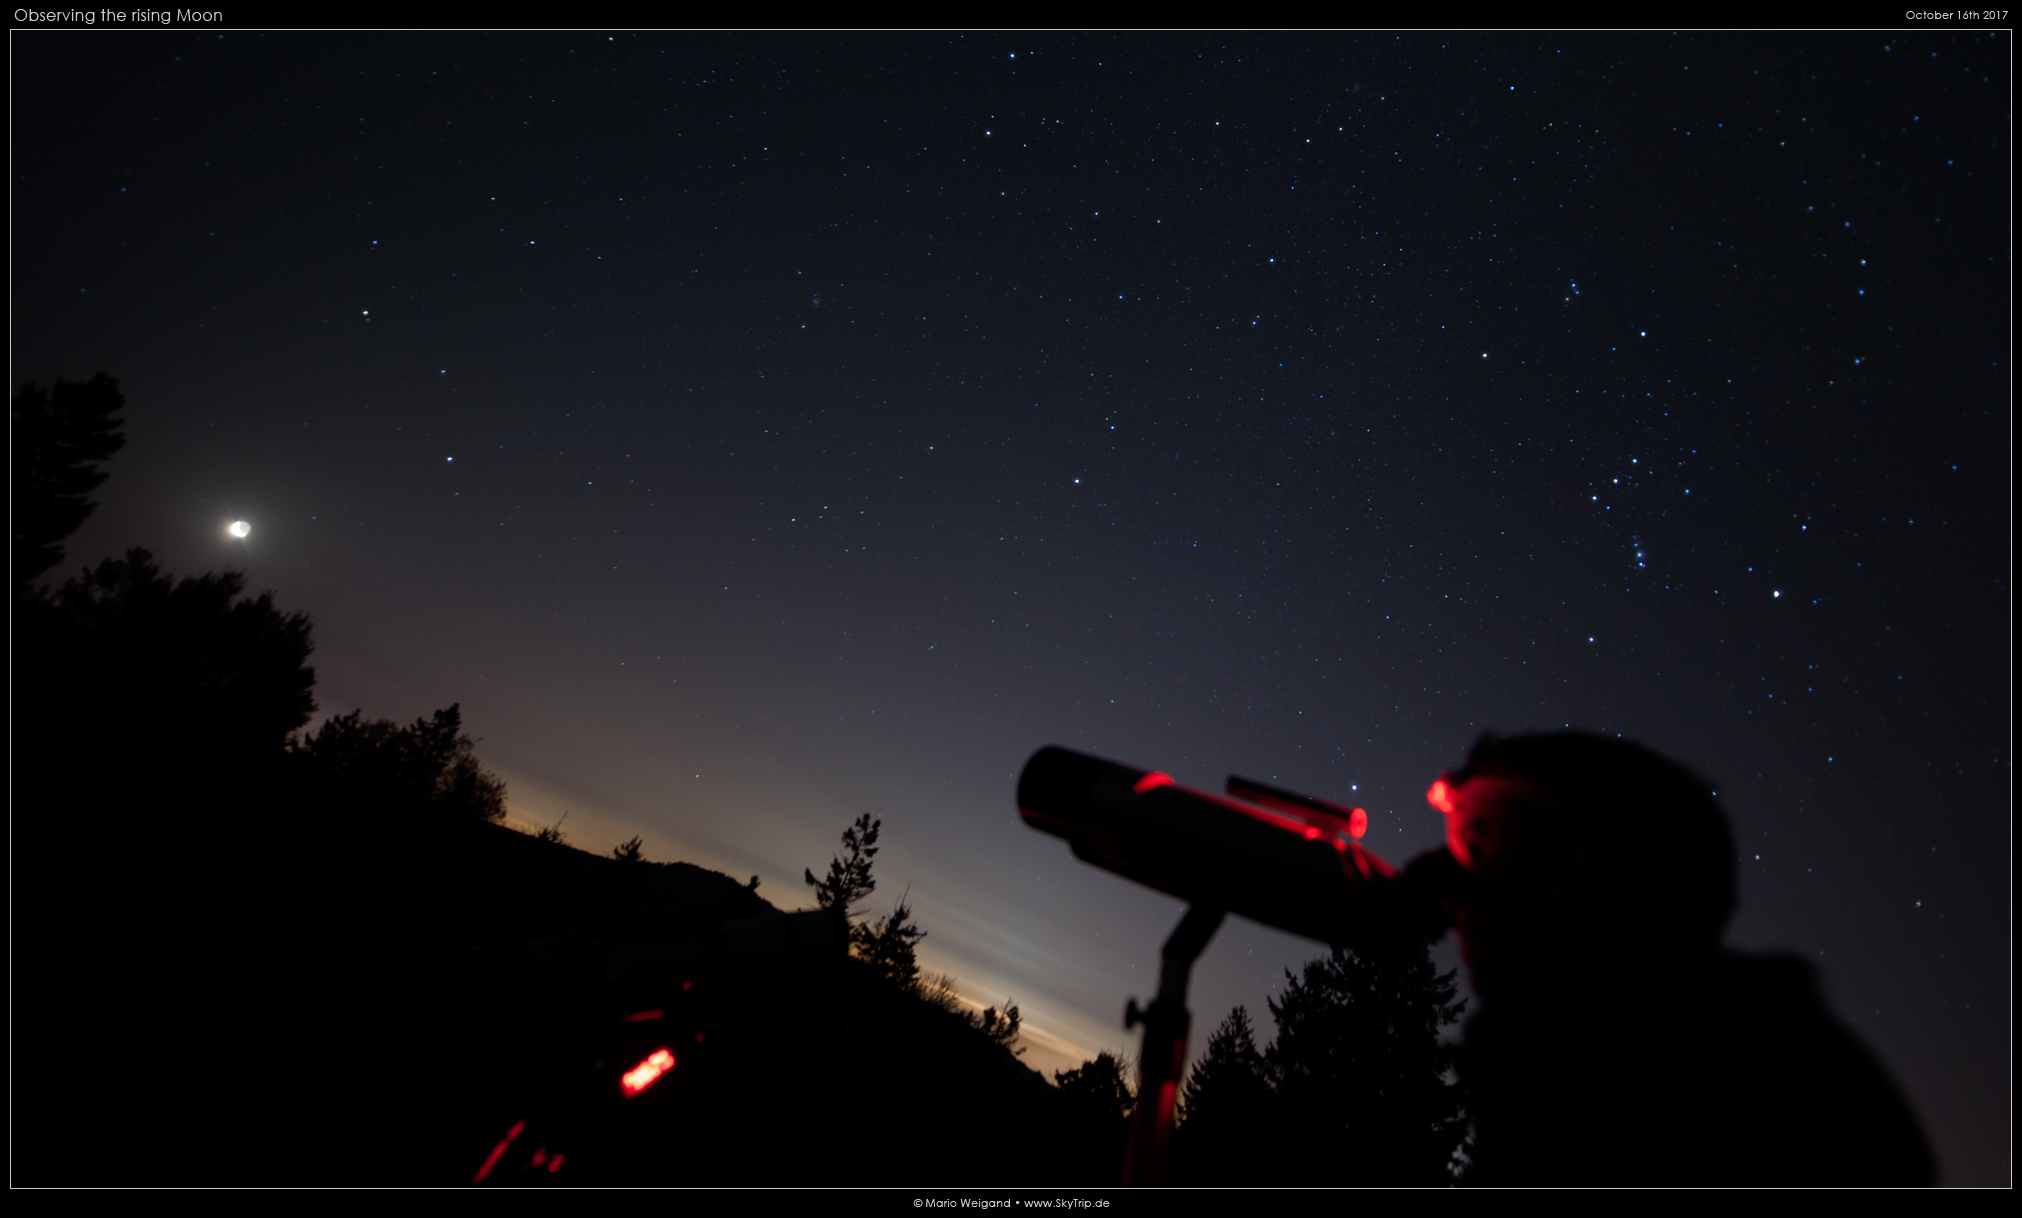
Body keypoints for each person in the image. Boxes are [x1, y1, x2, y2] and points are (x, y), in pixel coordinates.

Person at [1423, 731, 1937, 1186]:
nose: (1455, 895)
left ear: (1570, 868)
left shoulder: (1723, 1088)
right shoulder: (1611, 1050)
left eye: (1478, 850)